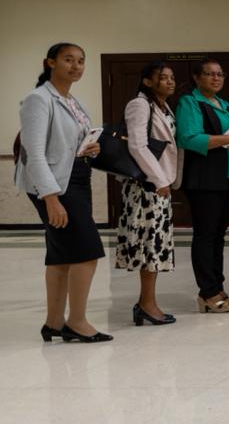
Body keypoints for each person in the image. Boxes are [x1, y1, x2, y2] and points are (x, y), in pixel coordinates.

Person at [17, 42, 109, 342]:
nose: (76, 66)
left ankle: (53, 323)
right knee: (87, 251)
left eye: (81, 61)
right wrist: (51, 197)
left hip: (77, 178)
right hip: (56, 184)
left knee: (60, 254)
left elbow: (68, 144)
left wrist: (90, 148)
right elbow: (34, 152)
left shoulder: (71, 100)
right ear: (50, 63)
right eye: (68, 60)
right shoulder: (38, 99)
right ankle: (77, 321)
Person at [175, 56, 229, 313]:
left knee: (218, 236)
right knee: (206, 235)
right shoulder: (190, 102)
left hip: (227, 178)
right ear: (197, 78)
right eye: (210, 74)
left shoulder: (223, 104)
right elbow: (189, 138)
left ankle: (217, 287)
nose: (216, 78)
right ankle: (207, 292)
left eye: (220, 74)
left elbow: (227, 138)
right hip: (204, 179)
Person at [116, 60, 181, 326]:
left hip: (158, 185)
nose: (170, 81)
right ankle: (147, 304)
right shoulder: (139, 104)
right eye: (163, 77)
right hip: (146, 187)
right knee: (149, 248)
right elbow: (137, 145)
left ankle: (146, 302)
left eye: (172, 77)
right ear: (147, 81)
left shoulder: (163, 107)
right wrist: (158, 179)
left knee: (155, 247)